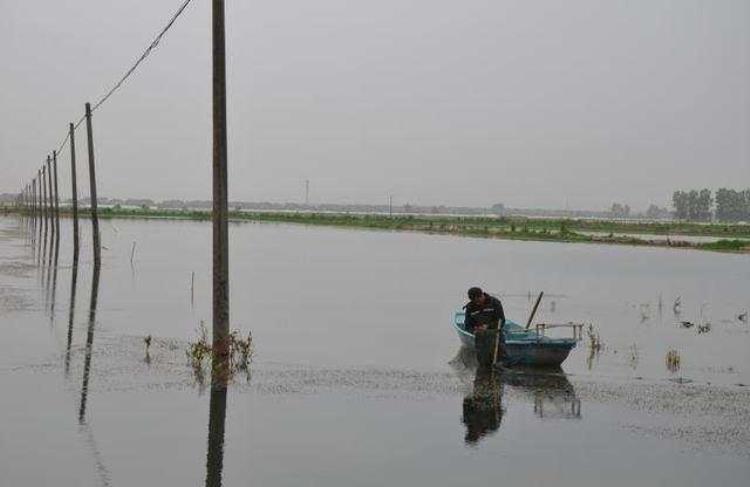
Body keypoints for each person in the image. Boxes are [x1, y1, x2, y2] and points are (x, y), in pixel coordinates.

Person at [464, 286, 507, 363]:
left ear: (482, 295)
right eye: (475, 302)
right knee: (483, 361)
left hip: (495, 334)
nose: (477, 303)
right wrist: (474, 330)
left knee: (501, 359)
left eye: (478, 300)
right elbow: (467, 326)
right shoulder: (470, 307)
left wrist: (488, 326)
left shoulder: (495, 303)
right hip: (480, 337)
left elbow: (502, 321)